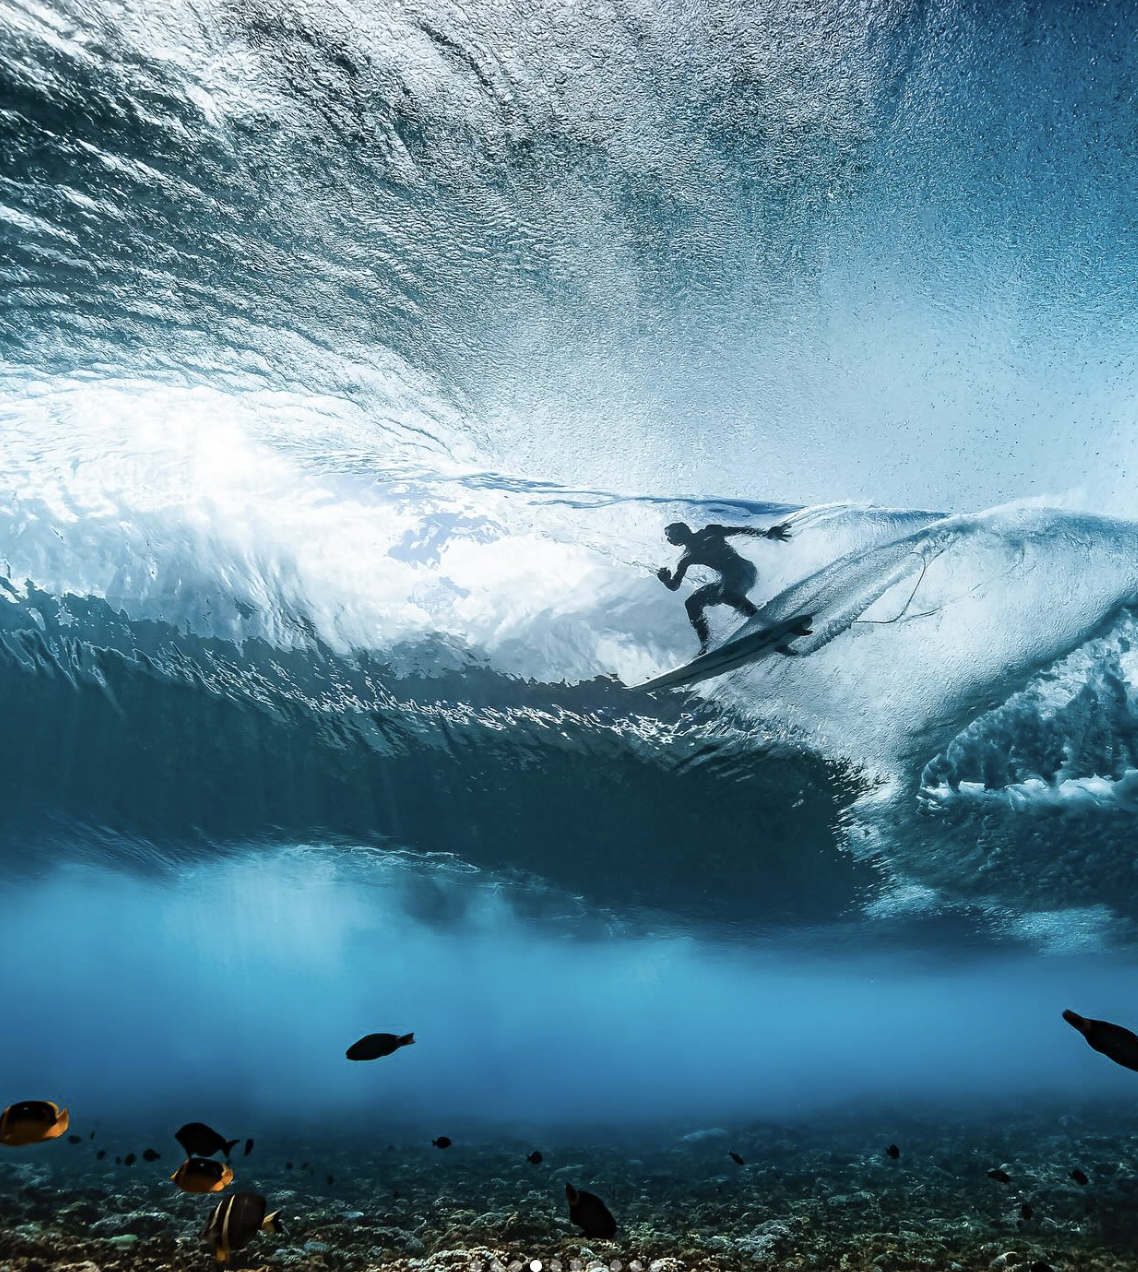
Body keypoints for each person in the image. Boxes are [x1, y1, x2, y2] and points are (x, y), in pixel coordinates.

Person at [657, 520, 792, 654]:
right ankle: (706, 646)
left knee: (725, 594)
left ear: (679, 532)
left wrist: (766, 533)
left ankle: (770, 625)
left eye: (668, 535)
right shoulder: (686, 559)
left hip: (745, 571)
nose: (668, 540)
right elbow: (675, 585)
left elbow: (740, 530)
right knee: (692, 603)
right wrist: (665, 580)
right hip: (727, 579)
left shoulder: (710, 531)